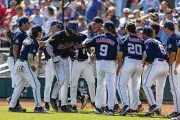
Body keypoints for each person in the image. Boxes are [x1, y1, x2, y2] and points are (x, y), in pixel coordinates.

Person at [39, 21, 79, 112]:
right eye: (73, 29)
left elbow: (73, 47)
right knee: (61, 79)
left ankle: (63, 104)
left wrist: (73, 52)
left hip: (66, 59)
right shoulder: (58, 35)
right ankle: (52, 99)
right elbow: (47, 46)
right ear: (68, 28)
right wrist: (53, 57)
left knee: (66, 82)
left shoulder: (75, 36)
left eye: (75, 29)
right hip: (56, 58)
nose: (75, 31)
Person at [83, 20, 118, 115]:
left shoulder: (98, 37)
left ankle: (99, 107)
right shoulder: (115, 39)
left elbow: (85, 44)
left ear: (104, 28)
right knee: (110, 86)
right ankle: (110, 108)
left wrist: (93, 52)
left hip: (99, 63)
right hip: (110, 63)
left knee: (100, 85)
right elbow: (118, 52)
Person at [9, 24, 47, 113]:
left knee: (19, 86)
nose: (41, 33)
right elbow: (30, 57)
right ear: (37, 33)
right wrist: (33, 66)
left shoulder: (27, 39)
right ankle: (38, 107)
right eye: (40, 32)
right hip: (25, 64)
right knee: (36, 85)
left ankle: (12, 106)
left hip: (19, 62)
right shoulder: (34, 42)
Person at [116, 22, 144, 116]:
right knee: (135, 88)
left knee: (120, 85)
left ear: (127, 29)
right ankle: (134, 108)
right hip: (139, 63)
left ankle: (125, 105)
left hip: (129, 62)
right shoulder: (140, 40)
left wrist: (119, 66)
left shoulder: (124, 38)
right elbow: (144, 55)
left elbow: (120, 54)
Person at [142, 26, 169, 116]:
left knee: (146, 85)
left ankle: (153, 106)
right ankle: (158, 108)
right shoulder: (158, 41)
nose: (142, 35)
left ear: (145, 34)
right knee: (160, 89)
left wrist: (144, 61)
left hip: (157, 64)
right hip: (165, 65)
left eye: (143, 34)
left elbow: (149, 56)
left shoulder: (148, 41)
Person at [38, 20, 64, 111]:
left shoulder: (61, 38)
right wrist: (38, 60)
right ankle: (46, 103)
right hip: (49, 61)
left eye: (59, 27)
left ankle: (60, 103)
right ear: (52, 27)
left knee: (61, 82)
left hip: (59, 61)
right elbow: (40, 50)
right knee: (48, 83)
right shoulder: (46, 37)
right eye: (57, 27)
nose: (59, 29)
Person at [70, 27, 95, 112]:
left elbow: (89, 47)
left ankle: (93, 101)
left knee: (92, 81)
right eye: (71, 28)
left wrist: (91, 53)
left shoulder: (83, 36)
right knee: (73, 84)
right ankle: (73, 104)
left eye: (74, 28)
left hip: (85, 61)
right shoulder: (69, 38)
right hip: (75, 62)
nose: (73, 30)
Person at [164, 20, 180, 119]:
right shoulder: (177, 36)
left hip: (175, 63)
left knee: (175, 89)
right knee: (177, 89)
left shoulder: (171, 38)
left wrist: (170, 65)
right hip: (178, 63)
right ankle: (176, 110)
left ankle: (178, 111)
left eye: (164, 28)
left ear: (167, 28)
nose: (164, 29)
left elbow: (173, 54)